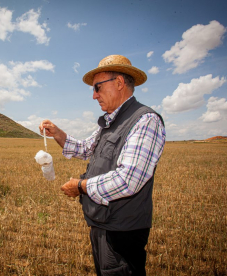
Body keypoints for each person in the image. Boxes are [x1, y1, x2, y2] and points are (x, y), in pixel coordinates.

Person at [39, 55, 166, 276]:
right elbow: (85, 148)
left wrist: (80, 186)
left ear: (119, 83)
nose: (94, 95)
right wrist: (57, 133)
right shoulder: (110, 122)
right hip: (102, 224)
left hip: (122, 231)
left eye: (97, 87)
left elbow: (128, 180)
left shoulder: (145, 120)